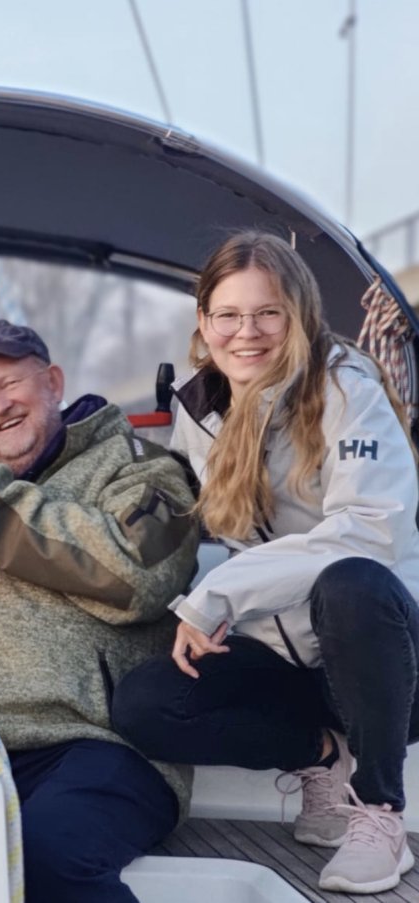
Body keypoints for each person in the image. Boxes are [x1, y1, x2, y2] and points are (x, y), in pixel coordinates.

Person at [111, 232, 419, 895]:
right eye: (228, 314)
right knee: (145, 703)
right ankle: (319, 754)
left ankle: (379, 814)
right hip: (290, 658)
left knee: (352, 583)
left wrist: (218, 595)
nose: (245, 332)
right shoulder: (200, 411)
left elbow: (368, 534)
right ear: (203, 323)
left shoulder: (347, 390)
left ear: (300, 316)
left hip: (390, 662)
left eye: (267, 313)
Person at [0, 319, 200, 903]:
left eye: (10, 384)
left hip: (100, 747)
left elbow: (137, 574)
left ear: (54, 383)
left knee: (49, 855)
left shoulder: (142, 468)